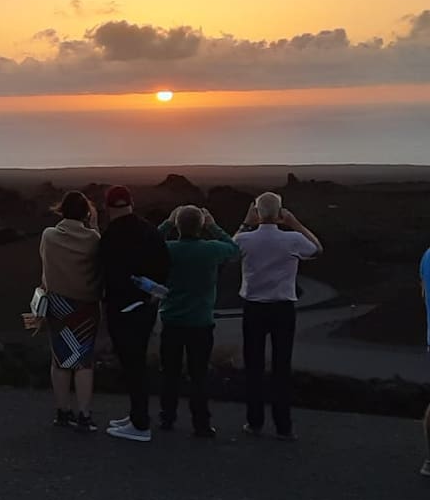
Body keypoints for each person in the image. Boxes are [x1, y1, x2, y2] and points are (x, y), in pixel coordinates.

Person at [235, 193, 322, 441]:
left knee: (253, 366)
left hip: (253, 308)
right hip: (283, 308)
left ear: (257, 212)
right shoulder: (293, 239)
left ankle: (254, 422)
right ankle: (283, 426)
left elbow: (229, 250)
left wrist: (245, 222)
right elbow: (317, 248)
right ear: (281, 212)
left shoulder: (245, 239)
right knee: (281, 367)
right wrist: (295, 224)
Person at [157, 206, 240, 438]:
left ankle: (167, 417)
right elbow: (235, 249)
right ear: (200, 226)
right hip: (201, 324)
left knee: (170, 373)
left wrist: (167, 223)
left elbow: (147, 245)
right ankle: (201, 423)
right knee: (199, 375)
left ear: (178, 226)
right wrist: (213, 226)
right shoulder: (211, 250)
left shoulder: (168, 249)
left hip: (172, 321)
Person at [98, 185, 171, 442]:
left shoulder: (109, 237)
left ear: (108, 207)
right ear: (131, 203)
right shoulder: (150, 230)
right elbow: (165, 266)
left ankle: (140, 425)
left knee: (133, 366)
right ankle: (135, 415)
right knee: (136, 362)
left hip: (122, 309)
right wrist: (153, 294)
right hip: (147, 308)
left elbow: (106, 275)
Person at [36, 191, 102, 432]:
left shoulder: (49, 236)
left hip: (58, 306)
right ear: (86, 212)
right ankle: (84, 415)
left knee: (60, 359)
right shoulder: (93, 239)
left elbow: (45, 262)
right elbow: (99, 263)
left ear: (61, 210)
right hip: (86, 306)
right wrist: (94, 226)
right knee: (83, 361)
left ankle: (63, 412)